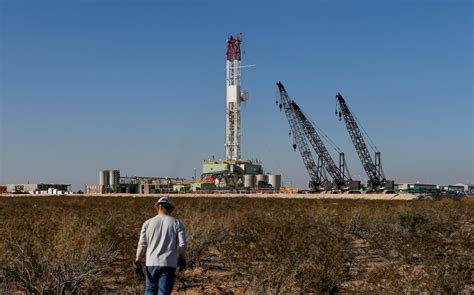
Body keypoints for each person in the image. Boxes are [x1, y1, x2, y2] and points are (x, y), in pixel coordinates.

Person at [135, 197, 187, 295]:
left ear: (157, 208)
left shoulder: (148, 223)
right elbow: (182, 244)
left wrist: (138, 259)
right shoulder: (177, 223)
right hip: (168, 263)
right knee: (163, 292)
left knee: (150, 291)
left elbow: (142, 244)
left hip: (151, 262)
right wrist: (182, 258)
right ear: (170, 209)